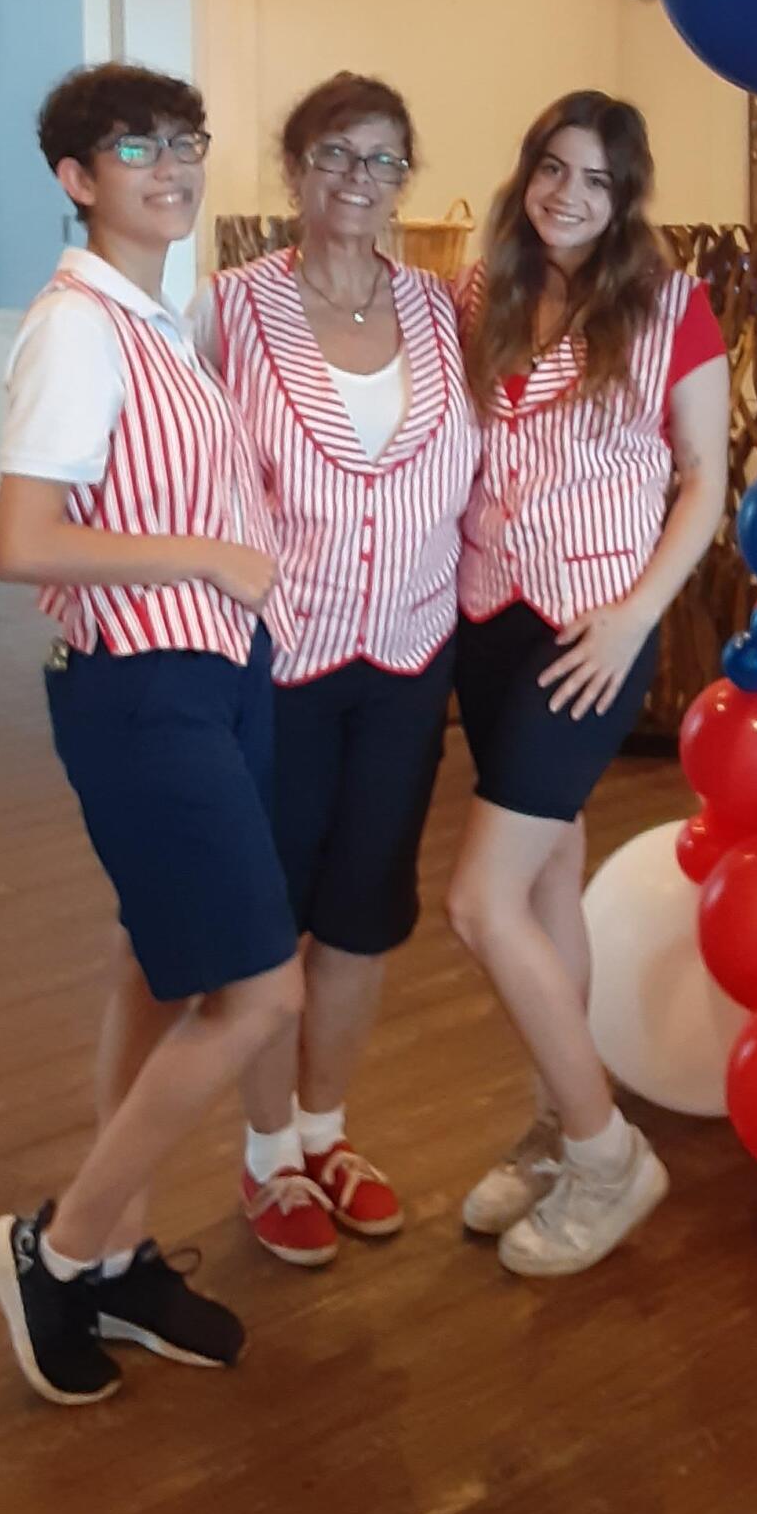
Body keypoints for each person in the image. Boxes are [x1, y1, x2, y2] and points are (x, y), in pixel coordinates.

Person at [0, 63, 300, 1408]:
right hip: (144, 684)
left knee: (158, 969)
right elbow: (23, 541)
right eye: (135, 148)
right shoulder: (79, 327)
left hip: (215, 677)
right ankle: (55, 1251)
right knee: (259, 994)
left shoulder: (160, 321)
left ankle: (113, 1258)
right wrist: (213, 560)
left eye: (185, 143)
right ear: (77, 179)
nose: (171, 167)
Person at [196, 74, 479, 1267]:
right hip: (277, 661)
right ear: (293, 168)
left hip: (411, 653)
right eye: (334, 157)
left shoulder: (446, 308)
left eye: (383, 161)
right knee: (268, 926)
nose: (359, 182)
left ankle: (327, 1134)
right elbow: (178, 472)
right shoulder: (229, 311)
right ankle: (268, 1160)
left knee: (362, 915)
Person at [448, 91, 729, 1276]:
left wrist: (634, 619)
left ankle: (610, 1151)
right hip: (487, 615)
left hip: (591, 630)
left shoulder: (673, 307)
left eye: (598, 179)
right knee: (552, 880)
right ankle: (560, 1123)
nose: (569, 193)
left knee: (479, 902)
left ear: (627, 196)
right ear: (528, 174)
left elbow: (705, 483)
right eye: (554, 168)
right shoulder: (484, 293)